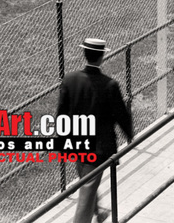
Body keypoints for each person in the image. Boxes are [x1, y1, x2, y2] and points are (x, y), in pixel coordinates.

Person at [56, 38, 132, 223]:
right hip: (97, 149)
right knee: (88, 187)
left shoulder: (70, 80)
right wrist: (130, 136)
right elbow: (121, 115)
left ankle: (99, 213)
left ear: (85, 54)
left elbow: (61, 114)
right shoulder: (109, 85)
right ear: (102, 57)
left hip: (75, 143)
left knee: (87, 181)